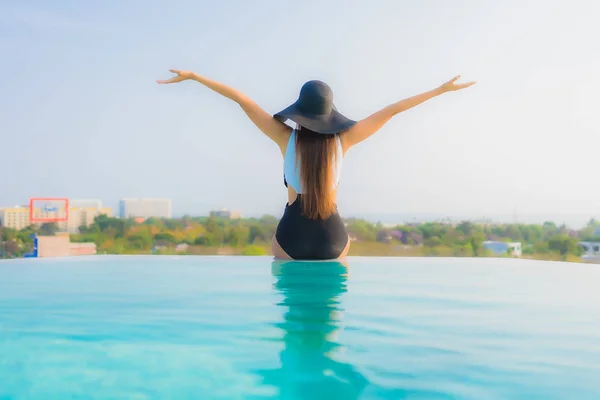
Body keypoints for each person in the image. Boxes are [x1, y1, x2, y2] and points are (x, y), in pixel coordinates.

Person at [157, 70, 475, 260]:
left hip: (290, 235)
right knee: (329, 326)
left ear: (299, 113)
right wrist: (440, 90)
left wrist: (195, 77)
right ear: (330, 113)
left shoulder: (284, 137)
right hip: (332, 238)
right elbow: (391, 110)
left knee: (292, 324)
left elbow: (242, 99)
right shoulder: (345, 139)